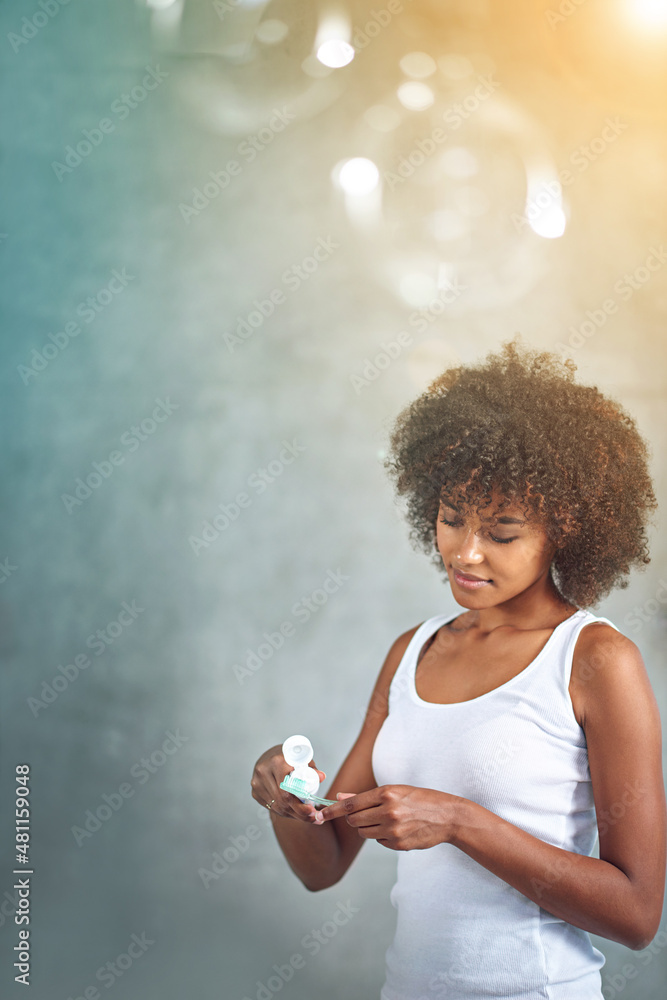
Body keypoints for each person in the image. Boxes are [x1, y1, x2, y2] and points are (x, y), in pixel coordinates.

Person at [250, 336, 666, 999]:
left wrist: (458, 821)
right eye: (450, 520)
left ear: (563, 526)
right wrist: (287, 797)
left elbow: (637, 914)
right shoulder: (412, 651)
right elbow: (322, 866)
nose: (465, 553)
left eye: (500, 533)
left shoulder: (594, 660)